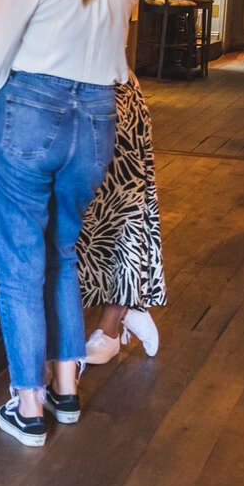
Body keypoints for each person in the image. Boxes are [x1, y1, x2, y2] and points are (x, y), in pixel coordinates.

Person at [0, 0, 136, 447]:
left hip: (32, 109)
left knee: (19, 262)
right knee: (63, 252)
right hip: (95, 117)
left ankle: (29, 406)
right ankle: (66, 389)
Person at [79, 74, 165, 364]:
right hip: (73, 93)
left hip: (111, 96)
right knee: (85, 222)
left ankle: (113, 321)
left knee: (117, 212)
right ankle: (122, 308)